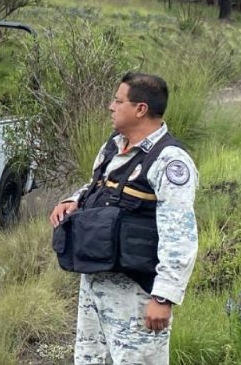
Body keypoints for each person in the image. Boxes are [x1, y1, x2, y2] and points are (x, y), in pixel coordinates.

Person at [49, 72, 198, 365]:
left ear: (140, 109)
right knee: (90, 359)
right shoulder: (113, 147)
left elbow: (179, 235)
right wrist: (75, 199)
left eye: (118, 101)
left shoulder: (170, 161)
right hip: (95, 281)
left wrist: (164, 297)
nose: (110, 106)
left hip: (137, 292)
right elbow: (100, 187)